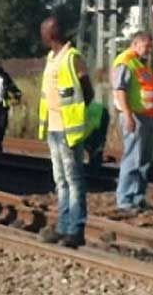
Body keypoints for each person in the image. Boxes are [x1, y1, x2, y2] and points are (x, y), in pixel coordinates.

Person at [37, 16, 94, 248]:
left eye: (43, 32)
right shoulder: (51, 58)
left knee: (73, 180)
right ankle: (63, 226)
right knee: (60, 180)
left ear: (51, 34)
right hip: (53, 127)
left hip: (68, 129)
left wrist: (76, 115)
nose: (41, 36)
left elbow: (87, 91)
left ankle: (75, 229)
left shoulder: (72, 57)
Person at [112, 31, 153, 213]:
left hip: (148, 117)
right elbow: (120, 90)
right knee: (133, 158)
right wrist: (128, 115)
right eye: (146, 46)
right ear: (136, 43)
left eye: (150, 47)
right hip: (135, 117)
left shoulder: (141, 63)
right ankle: (125, 200)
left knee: (145, 160)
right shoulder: (125, 62)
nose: (149, 50)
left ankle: (138, 197)